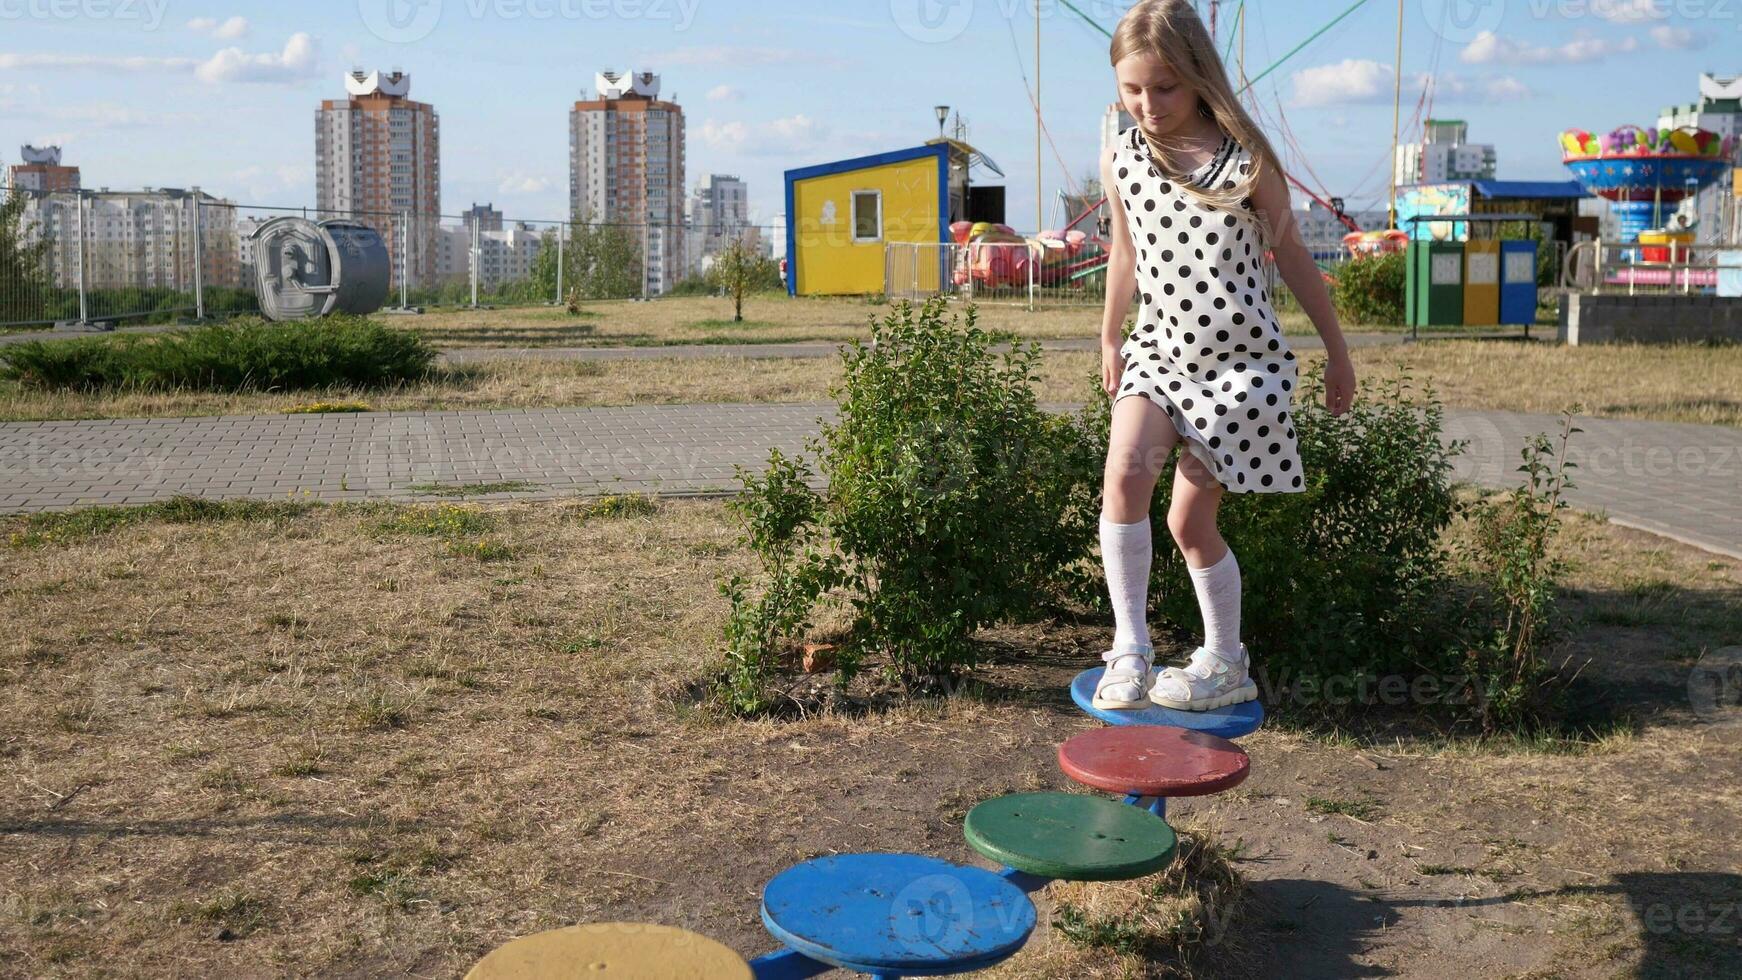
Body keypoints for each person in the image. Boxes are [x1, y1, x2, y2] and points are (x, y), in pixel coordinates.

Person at [1091, 0, 1357, 712]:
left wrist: (1337, 352)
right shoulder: (1120, 152)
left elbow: (1291, 255)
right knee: (1123, 477)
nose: (1147, 104)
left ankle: (1225, 659)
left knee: (1187, 523)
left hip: (1239, 366)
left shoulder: (1244, 160)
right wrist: (1112, 334)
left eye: (1165, 88)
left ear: (1198, 76)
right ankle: (1131, 648)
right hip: (1158, 352)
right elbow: (1124, 250)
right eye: (1132, 89)